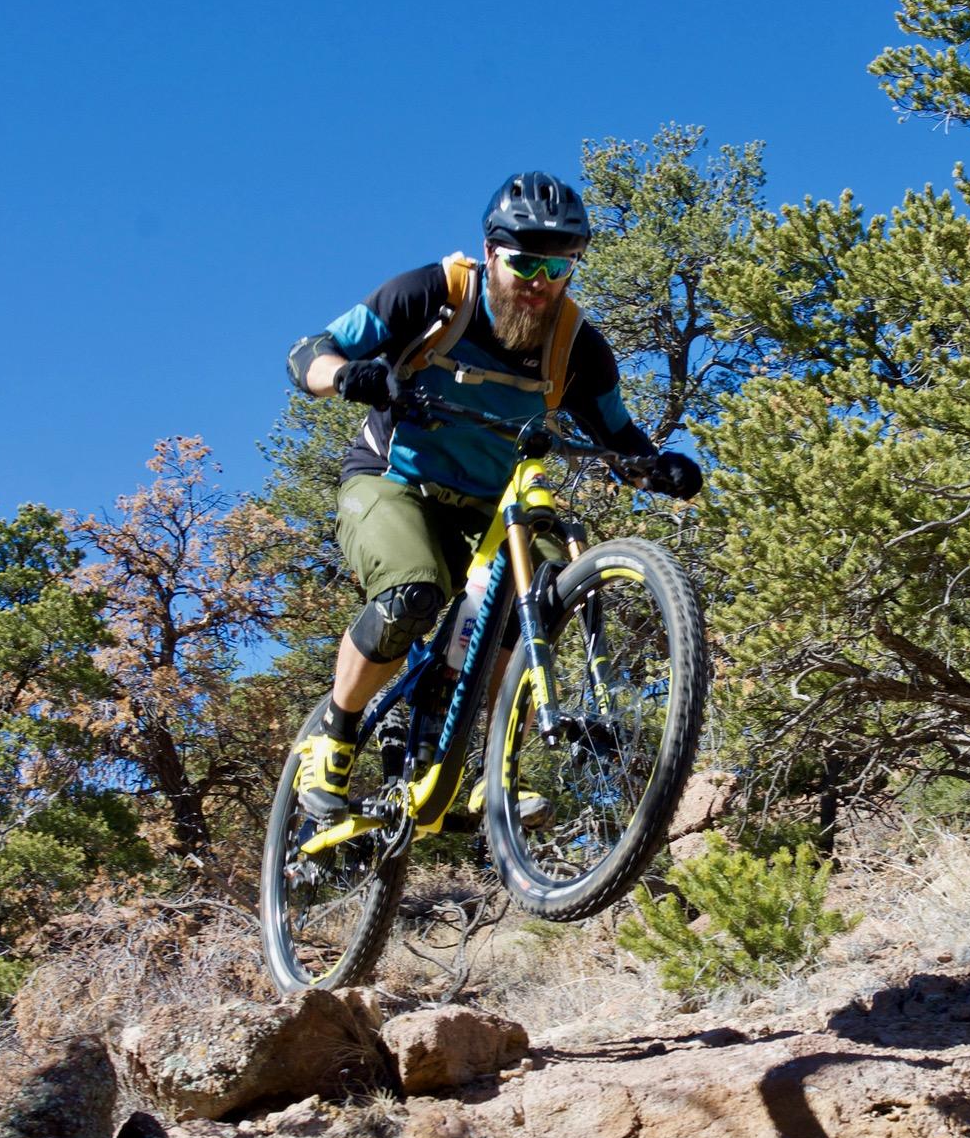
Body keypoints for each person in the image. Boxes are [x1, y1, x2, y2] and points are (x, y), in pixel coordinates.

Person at [283, 169, 701, 821]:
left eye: (558, 267)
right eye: (525, 261)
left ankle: (488, 768)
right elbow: (310, 351)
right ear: (490, 252)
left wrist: (659, 470)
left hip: (490, 508)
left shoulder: (578, 347)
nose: (539, 282)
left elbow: (618, 437)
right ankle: (333, 740)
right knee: (410, 596)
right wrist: (349, 376)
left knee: (530, 597)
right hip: (395, 481)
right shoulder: (431, 295)